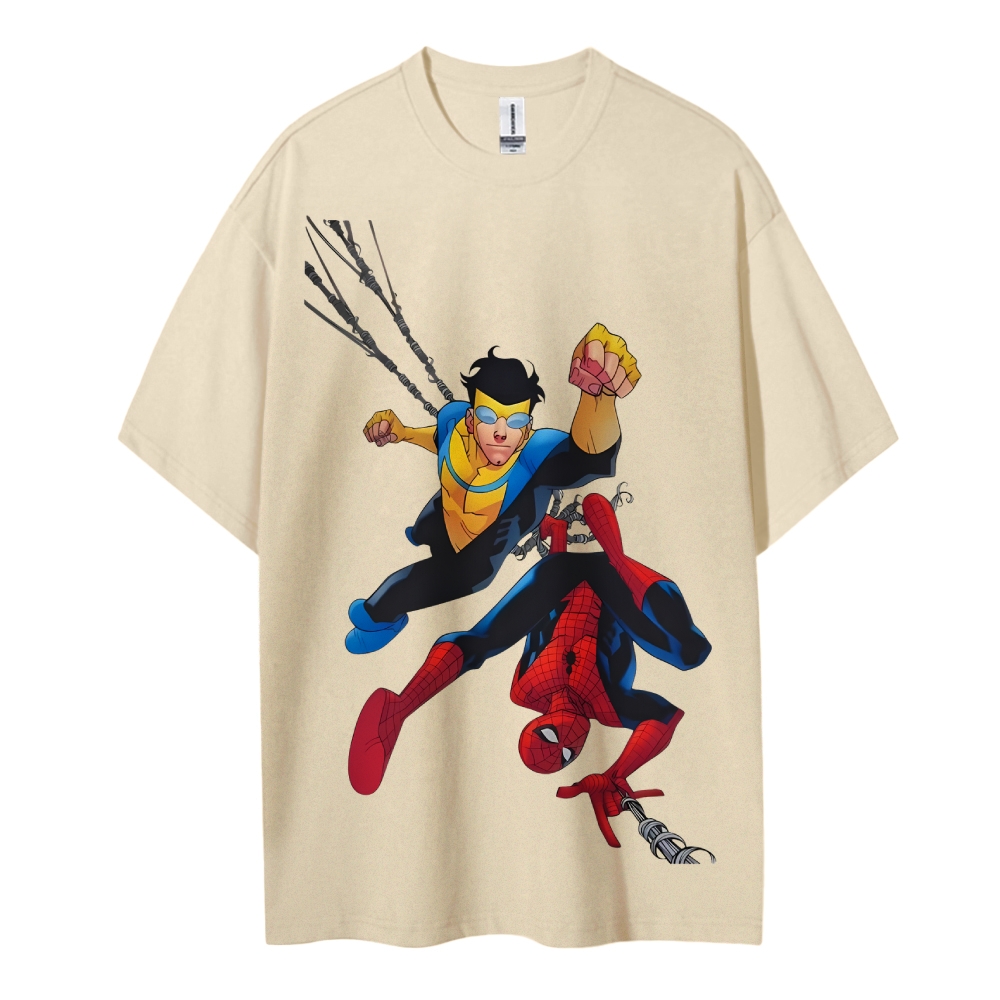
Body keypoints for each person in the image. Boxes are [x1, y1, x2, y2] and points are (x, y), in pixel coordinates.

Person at [348, 492, 711, 847]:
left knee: (480, 642)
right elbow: (665, 717)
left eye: (549, 737)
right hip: (613, 587)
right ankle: (617, 558)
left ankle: (400, 708)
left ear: (535, 724)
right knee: (690, 653)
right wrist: (616, 774)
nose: (567, 742)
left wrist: (558, 543)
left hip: (560, 577)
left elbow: (538, 623)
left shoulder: (526, 689)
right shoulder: (609, 708)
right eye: (569, 755)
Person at [345, 323, 641, 653]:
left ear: (527, 430)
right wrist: (404, 432)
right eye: (488, 417)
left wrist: (598, 396)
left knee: (394, 594)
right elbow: (441, 439)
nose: (501, 432)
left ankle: (378, 619)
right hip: (442, 518)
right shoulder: (454, 421)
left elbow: (587, 454)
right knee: (427, 530)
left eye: (515, 422)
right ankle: (418, 540)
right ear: (472, 420)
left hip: (474, 558)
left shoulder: (533, 457)